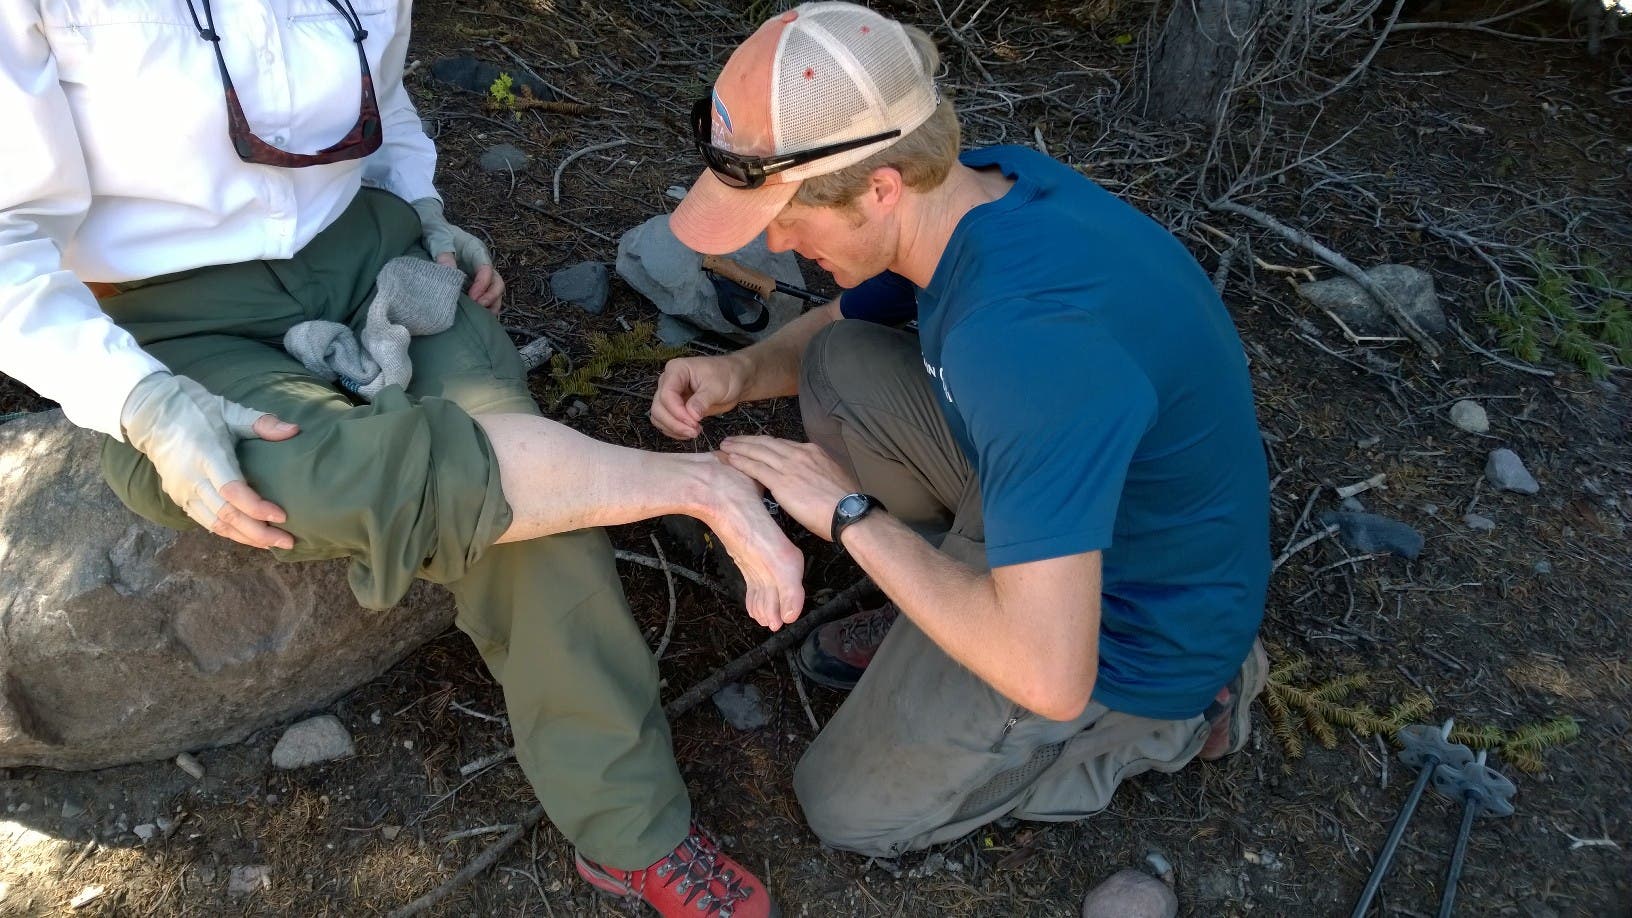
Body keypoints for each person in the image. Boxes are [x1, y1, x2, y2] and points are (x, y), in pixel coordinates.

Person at [1, 2, 787, 914]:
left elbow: (386, 99)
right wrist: (138, 399)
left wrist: (422, 208)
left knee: (543, 527)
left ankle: (630, 830)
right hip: (169, 312)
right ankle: (694, 487)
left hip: (365, 249)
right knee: (326, 472)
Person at [653, 1, 1271, 859]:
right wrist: (741, 374)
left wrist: (850, 517)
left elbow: (1052, 680)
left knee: (847, 807)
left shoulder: (1019, 348)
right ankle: (950, 610)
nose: (774, 240)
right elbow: (842, 317)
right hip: (1057, 508)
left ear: (880, 186)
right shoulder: (986, 187)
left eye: (789, 216)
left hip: (1127, 628)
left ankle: (1165, 726)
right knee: (841, 363)